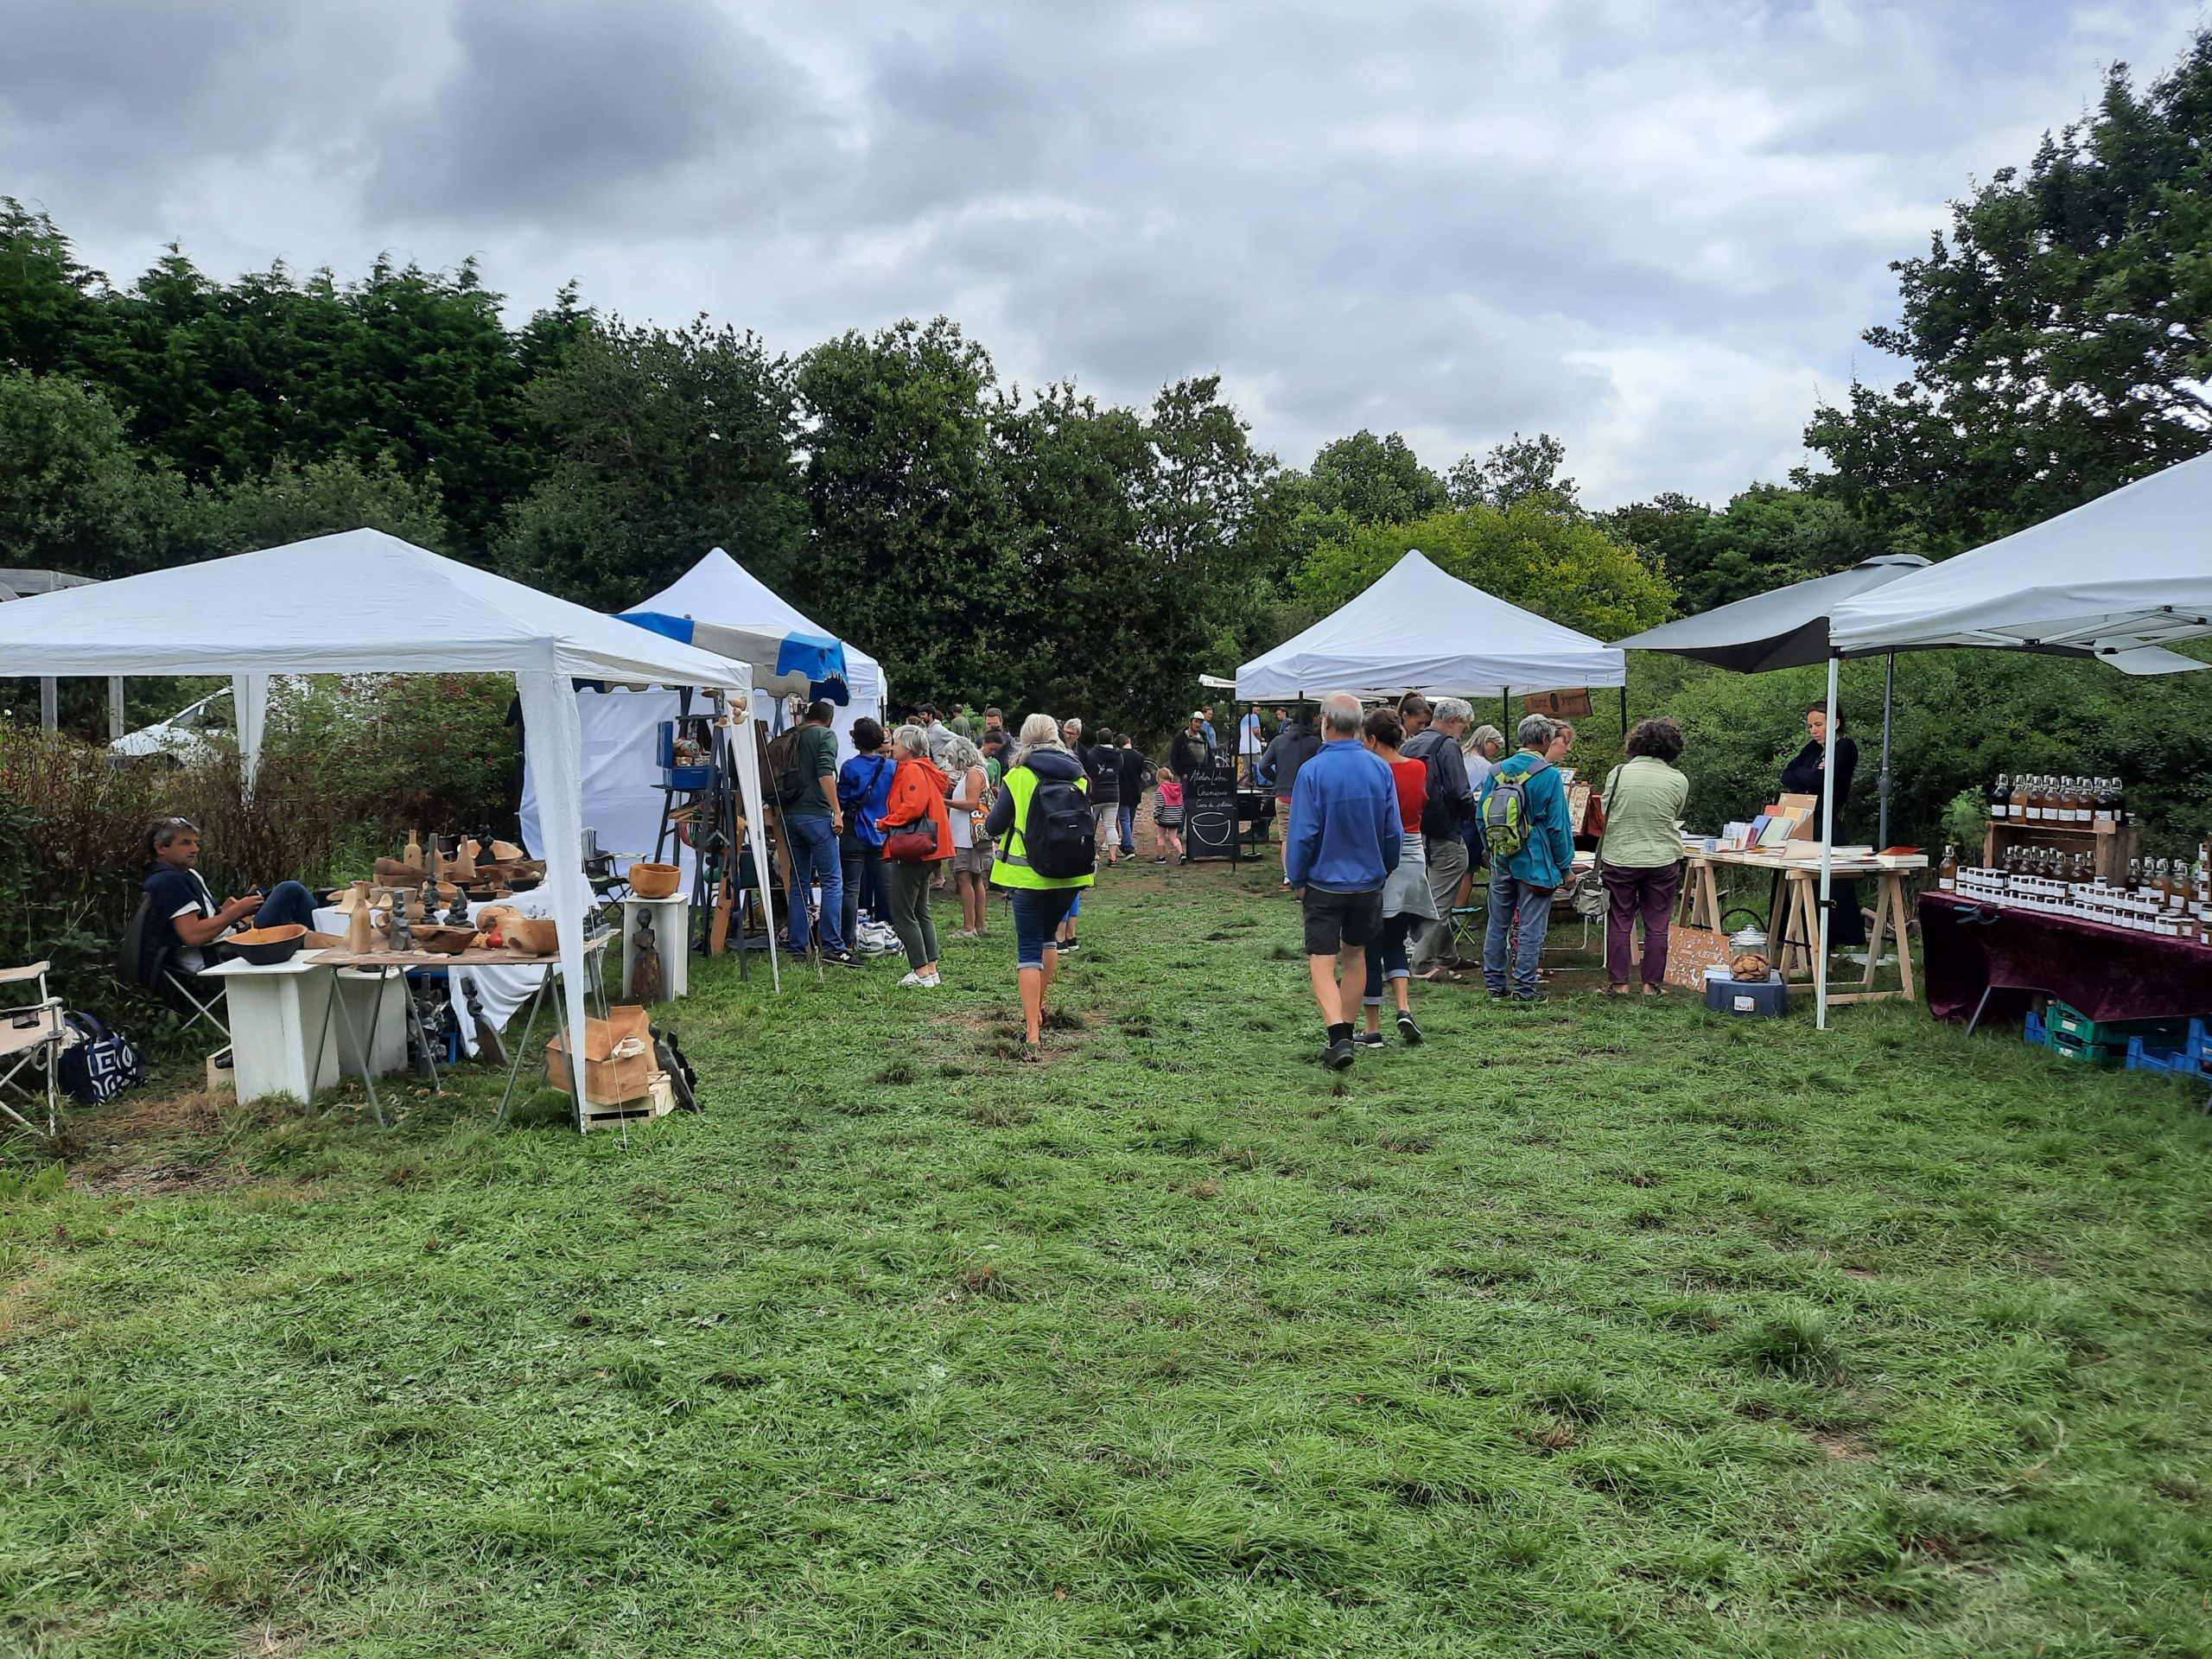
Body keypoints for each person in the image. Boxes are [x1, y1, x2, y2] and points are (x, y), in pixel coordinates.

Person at [1284, 691, 1401, 1071]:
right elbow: (1392, 832)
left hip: (1322, 882)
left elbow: (1302, 834)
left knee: (1322, 960)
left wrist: (1297, 877)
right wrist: (1384, 867)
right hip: (1368, 881)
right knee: (1356, 957)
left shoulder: (1313, 772)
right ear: (1360, 725)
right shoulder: (1380, 768)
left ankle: (1337, 1036)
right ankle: (1347, 1033)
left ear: (1326, 722)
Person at [985, 712, 1096, 1054]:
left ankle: (1032, 1030)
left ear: (1024, 739)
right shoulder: (1079, 776)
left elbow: (994, 825)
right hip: (1071, 874)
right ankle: (1041, 1007)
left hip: (1027, 875)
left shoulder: (1017, 776)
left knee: (1029, 948)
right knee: (1050, 939)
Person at [141, 817, 318, 974]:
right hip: (221, 954)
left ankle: (329, 944)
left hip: (229, 939)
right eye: (185, 843)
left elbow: (209, 916)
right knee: (289, 890)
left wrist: (238, 906)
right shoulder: (168, 882)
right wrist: (237, 912)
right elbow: (192, 935)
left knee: (275, 893)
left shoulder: (184, 874)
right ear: (160, 848)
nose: (194, 849)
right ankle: (331, 946)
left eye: (196, 843)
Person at [1479, 713, 1574, 1003]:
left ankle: (1495, 985)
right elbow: (1558, 827)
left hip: (1502, 859)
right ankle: (1524, 989)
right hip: (1535, 862)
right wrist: (1565, 867)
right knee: (1532, 926)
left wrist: (1492, 849)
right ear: (1546, 740)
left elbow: (1480, 817)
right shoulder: (1548, 775)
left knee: (1498, 923)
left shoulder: (1496, 771)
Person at [1357, 708, 1436, 1047]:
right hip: (1414, 858)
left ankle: (1372, 1029)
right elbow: (1422, 804)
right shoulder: (1418, 768)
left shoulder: (1370, 770)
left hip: (1378, 857)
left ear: (1372, 739)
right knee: (1396, 941)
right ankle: (1404, 1008)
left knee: (1370, 948)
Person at [1599, 717, 1691, 995]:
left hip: (1620, 856)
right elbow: (1675, 813)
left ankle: (1619, 983)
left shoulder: (1618, 773)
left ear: (1635, 744)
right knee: (1658, 922)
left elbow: (1607, 810)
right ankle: (1651, 984)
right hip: (1662, 858)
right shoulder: (1678, 779)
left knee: (1619, 920)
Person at [1403, 697, 1481, 978]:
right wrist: (1472, 815)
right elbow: (1461, 792)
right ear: (1454, 722)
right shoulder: (1447, 746)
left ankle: (1448, 956)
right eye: (1466, 726)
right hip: (1445, 833)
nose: (1465, 731)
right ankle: (1422, 964)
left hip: (1413, 832)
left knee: (1432, 896)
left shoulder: (1410, 744)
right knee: (1439, 901)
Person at [1781, 702, 1866, 948]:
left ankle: (1829, 943)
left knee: (1826, 883)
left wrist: (1805, 778)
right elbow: (1787, 774)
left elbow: (1824, 779)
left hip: (1826, 821)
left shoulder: (1845, 747)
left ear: (1835, 723)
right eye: (1810, 726)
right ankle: (1795, 938)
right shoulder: (1811, 749)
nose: (1814, 731)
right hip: (1802, 818)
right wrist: (1807, 778)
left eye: (1819, 724)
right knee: (1795, 876)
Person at [875, 725, 954, 986]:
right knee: (921, 909)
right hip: (932, 847)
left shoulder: (911, 770)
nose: (891, 747)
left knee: (902, 911)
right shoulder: (927, 769)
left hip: (913, 848)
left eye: (895, 743)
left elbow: (913, 806)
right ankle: (931, 968)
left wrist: (886, 822)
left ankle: (920, 970)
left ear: (908, 747)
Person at [783, 699, 856, 966]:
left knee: (799, 883)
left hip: (789, 814)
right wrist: (837, 811)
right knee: (832, 881)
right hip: (816, 814)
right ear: (830, 719)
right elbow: (825, 773)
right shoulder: (825, 736)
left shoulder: (790, 734)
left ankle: (798, 948)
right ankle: (833, 946)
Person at [836, 716, 898, 953]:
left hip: (854, 829)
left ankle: (847, 938)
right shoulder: (892, 768)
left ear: (855, 740)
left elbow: (841, 799)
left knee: (850, 887)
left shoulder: (850, 767)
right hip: (882, 829)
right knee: (888, 885)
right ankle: (893, 931)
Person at [944, 732, 993, 938]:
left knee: (964, 878)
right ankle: (979, 924)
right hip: (971, 835)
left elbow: (971, 804)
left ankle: (968, 927)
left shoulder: (973, 773)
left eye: (951, 757)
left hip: (967, 836)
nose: (949, 762)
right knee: (975, 879)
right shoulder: (976, 772)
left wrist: (943, 802)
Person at [1458, 723, 1507, 912]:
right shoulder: (1486, 767)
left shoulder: (1458, 755)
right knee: (1468, 869)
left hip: (1452, 818)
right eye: (1495, 747)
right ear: (1486, 741)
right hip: (1471, 820)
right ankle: (1459, 910)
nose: (1495, 752)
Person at [1259, 710, 1321, 848]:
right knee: (1307, 837)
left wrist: (1277, 779)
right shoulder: (1315, 743)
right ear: (1310, 724)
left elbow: (1263, 766)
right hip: (1308, 797)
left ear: (1292, 722)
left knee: (1286, 839)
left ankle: (1288, 869)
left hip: (1283, 795)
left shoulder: (1278, 741)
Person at [1084, 726, 1123, 865]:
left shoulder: (1092, 754)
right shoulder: (1118, 755)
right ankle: (1113, 858)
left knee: (1091, 825)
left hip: (1096, 794)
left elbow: (1088, 772)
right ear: (1112, 738)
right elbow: (1119, 771)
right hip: (1113, 793)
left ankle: (1091, 854)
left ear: (1098, 738)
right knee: (1111, 826)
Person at [1114, 734, 1151, 861]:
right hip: (1136, 790)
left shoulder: (1119, 756)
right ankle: (1125, 844)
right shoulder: (1139, 756)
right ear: (1129, 741)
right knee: (1130, 819)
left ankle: (1129, 847)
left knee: (1124, 818)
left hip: (1123, 791)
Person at [1153, 764, 1186, 862]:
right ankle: (1181, 853)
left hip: (1164, 818)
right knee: (1174, 837)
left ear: (1159, 779)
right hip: (1175, 818)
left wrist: (1156, 816)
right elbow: (1182, 804)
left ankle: (1162, 857)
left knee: (1161, 837)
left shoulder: (1161, 790)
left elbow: (1160, 805)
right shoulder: (1177, 789)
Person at [1169, 711, 1212, 784]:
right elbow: (1174, 757)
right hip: (1188, 776)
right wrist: (1182, 773)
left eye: (1201, 722)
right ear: (1190, 722)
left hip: (1203, 775)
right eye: (1196, 721)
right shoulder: (1180, 737)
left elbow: (1210, 755)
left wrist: (1210, 770)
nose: (1198, 724)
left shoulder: (1204, 737)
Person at [1237, 706, 1263, 784]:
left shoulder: (1243, 719)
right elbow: (1255, 731)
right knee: (1259, 771)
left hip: (1243, 749)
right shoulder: (1254, 717)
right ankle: (1260, 789)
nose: (1259, 708)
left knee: (1249, 774)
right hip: (1253, 749)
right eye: (1257, 707)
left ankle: (1249, 787)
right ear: (1252, 708)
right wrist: (1261, 739)